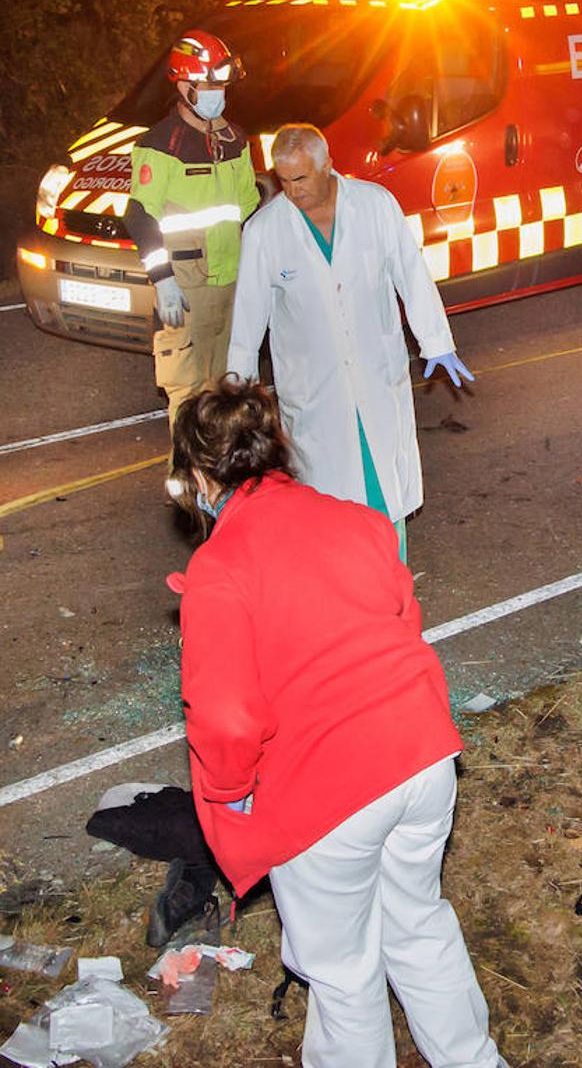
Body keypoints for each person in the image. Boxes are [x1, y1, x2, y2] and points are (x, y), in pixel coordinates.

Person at [166, 378, 503, 1068]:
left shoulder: (220, 566)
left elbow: (227, 716)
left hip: (328, 793)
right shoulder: (359, 521)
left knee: (342, 968)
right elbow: (402, 627)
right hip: (421, 760)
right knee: (418, 921)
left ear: (201, 475)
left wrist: (232, 795)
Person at [227, 123, 473, 560]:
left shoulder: (374, 205)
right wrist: (239, 395)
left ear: (328, 167)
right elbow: (248, 320)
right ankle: (340, 601)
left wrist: (435, 341)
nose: (293, 191)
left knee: (384, 502)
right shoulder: (265, 230)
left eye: (301, 179)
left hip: (376, 375)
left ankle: (392, 593)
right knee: (326, 508)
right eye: (283, 180)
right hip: (314, 391)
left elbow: (409, 272)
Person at [126, 29, 261, 429]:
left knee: (228, 392)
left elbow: (249, 210)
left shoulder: (235, 140)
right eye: (207, 84)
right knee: (188, 396)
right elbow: (138, 215)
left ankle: (222, 483)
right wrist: (163, 279)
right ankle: (186, 488)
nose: (216, 93)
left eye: (221, 85)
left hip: (231, 282)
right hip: (185, 288)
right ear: (183, 85)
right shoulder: (160, 145)